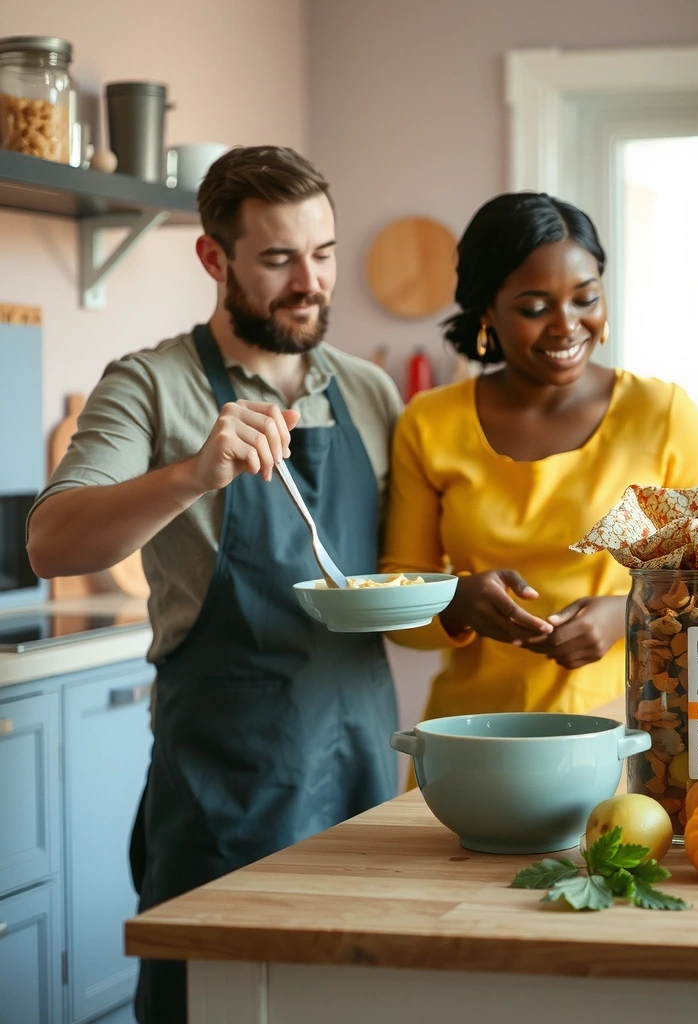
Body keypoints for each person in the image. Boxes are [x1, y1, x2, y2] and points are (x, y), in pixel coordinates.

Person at [26, 146, 404, 1024]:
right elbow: (50, 541)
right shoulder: (149, 387)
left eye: (324, 252)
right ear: (214, 258)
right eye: (277, 259)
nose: (309, 282)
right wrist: (194, 474)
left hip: (361, 782)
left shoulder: (371, 393)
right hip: (224, 794)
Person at [380, 191, 698, 727]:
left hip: (634, 731)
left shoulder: (663, 415)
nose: (567, 325)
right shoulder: (429, 423)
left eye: (585, 299)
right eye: (534, 307)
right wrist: (454, 601)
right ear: (487, 313)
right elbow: (393, 599)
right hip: (470, 735)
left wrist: (628, 616)